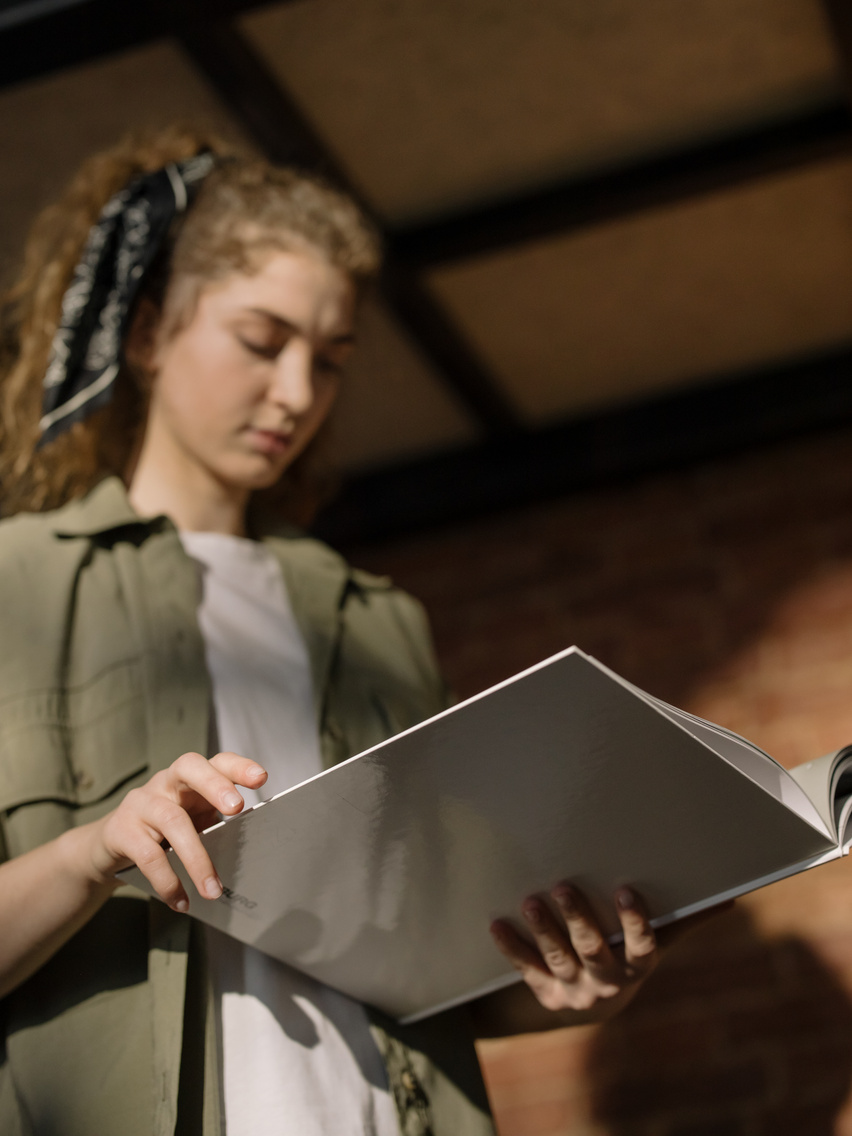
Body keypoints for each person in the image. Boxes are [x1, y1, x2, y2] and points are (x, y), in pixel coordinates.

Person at [0, 126, 660, 1136]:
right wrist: (92, 850)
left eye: (331, 359)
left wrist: (578, 981)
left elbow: (443, 964)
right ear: (145, 334)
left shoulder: (383, 620)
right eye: (263, 342)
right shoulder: (18, 583)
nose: (299, 394)